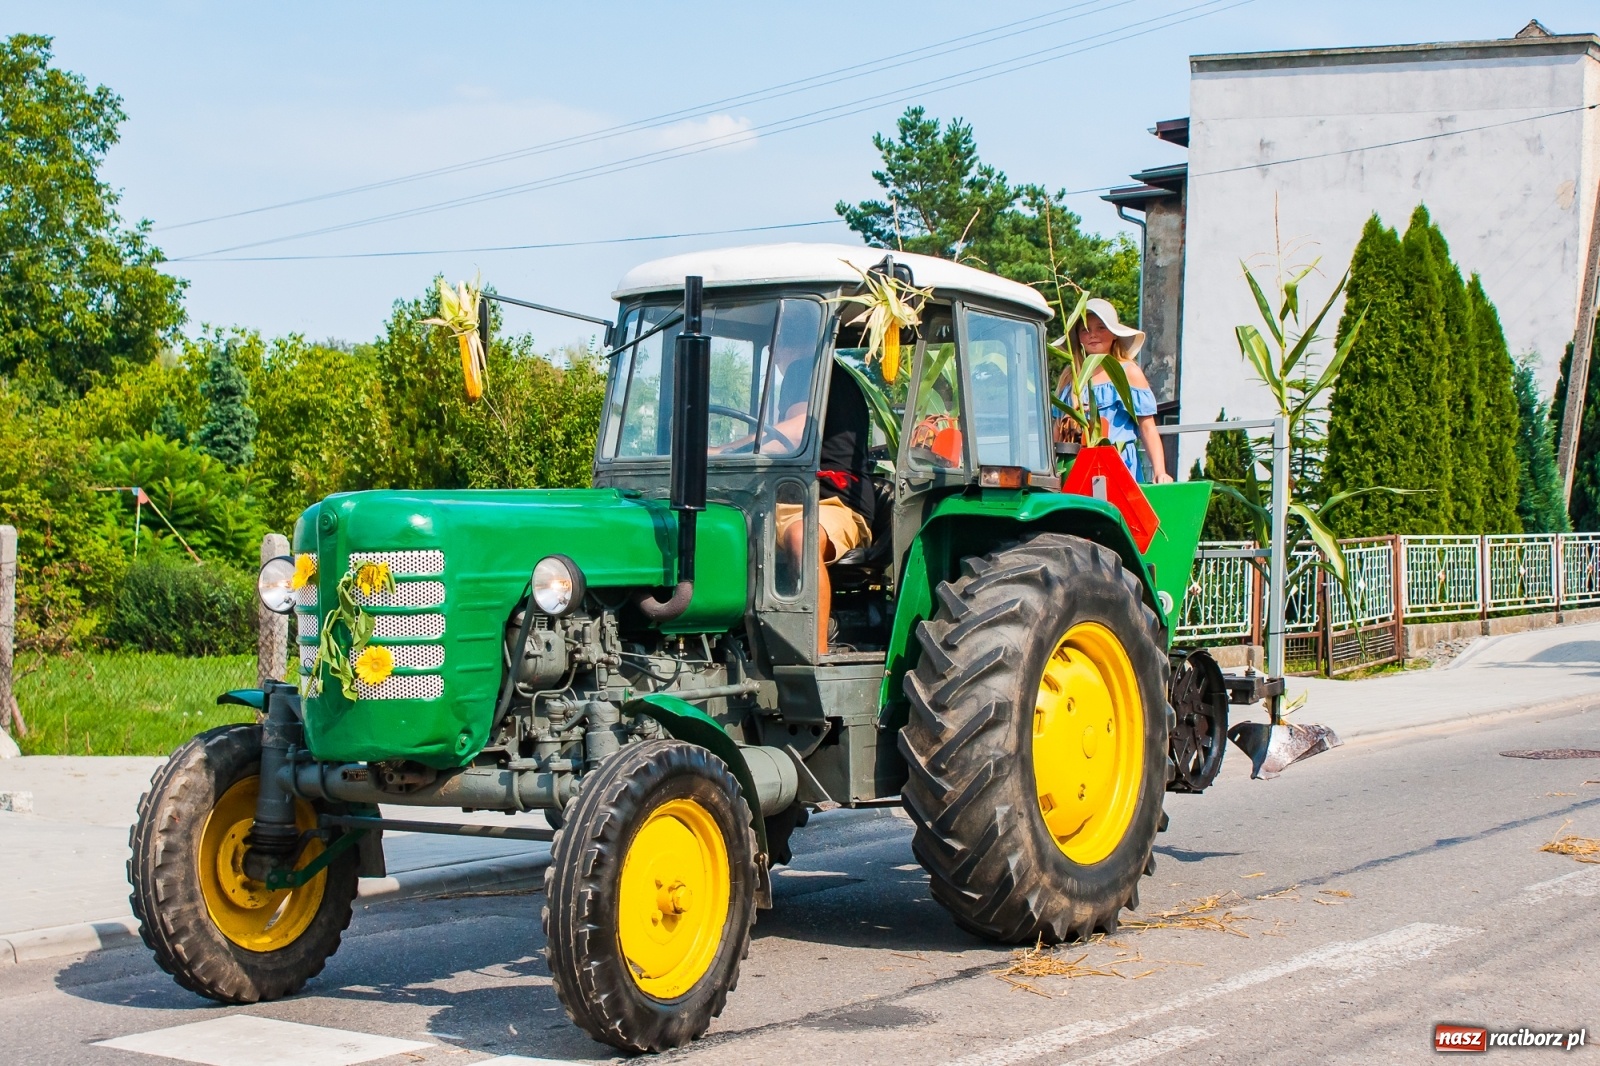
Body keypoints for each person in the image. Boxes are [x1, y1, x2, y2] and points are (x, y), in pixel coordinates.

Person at [763, 341, 874, 657]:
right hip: (789, 499)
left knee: (801, 536)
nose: (772, 356)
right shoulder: (814, 373)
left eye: (774, 344)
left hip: (833, 503)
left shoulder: (807, 369)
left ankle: (815, 659)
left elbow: (795, 433)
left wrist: (728, 450)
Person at [1057, 298, 1172, 483]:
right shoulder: (1070, 378)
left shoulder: (1128, 372)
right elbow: (1058, 428)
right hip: (1076, 468)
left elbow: (1147, 427)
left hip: (1118, 465)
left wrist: (1160, 471)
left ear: (1114, 334)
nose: (1093, 334)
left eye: (1101, 327)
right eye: (1085, 330)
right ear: (1078, 337)